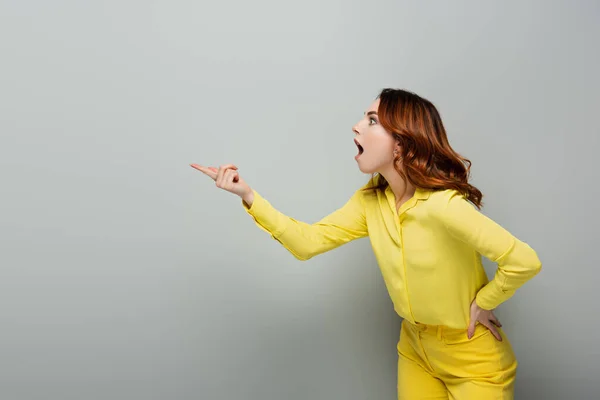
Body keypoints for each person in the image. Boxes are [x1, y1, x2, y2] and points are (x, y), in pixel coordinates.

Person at [190, 88, 542, 399]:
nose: (357, 126)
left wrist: (485, 301)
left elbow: (524, 261)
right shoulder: (371, 202)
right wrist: (248, 195)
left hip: (473, 358)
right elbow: (307, 243)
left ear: (401, 142)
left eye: (372, 120)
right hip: (415, 351)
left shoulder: (443, 205)